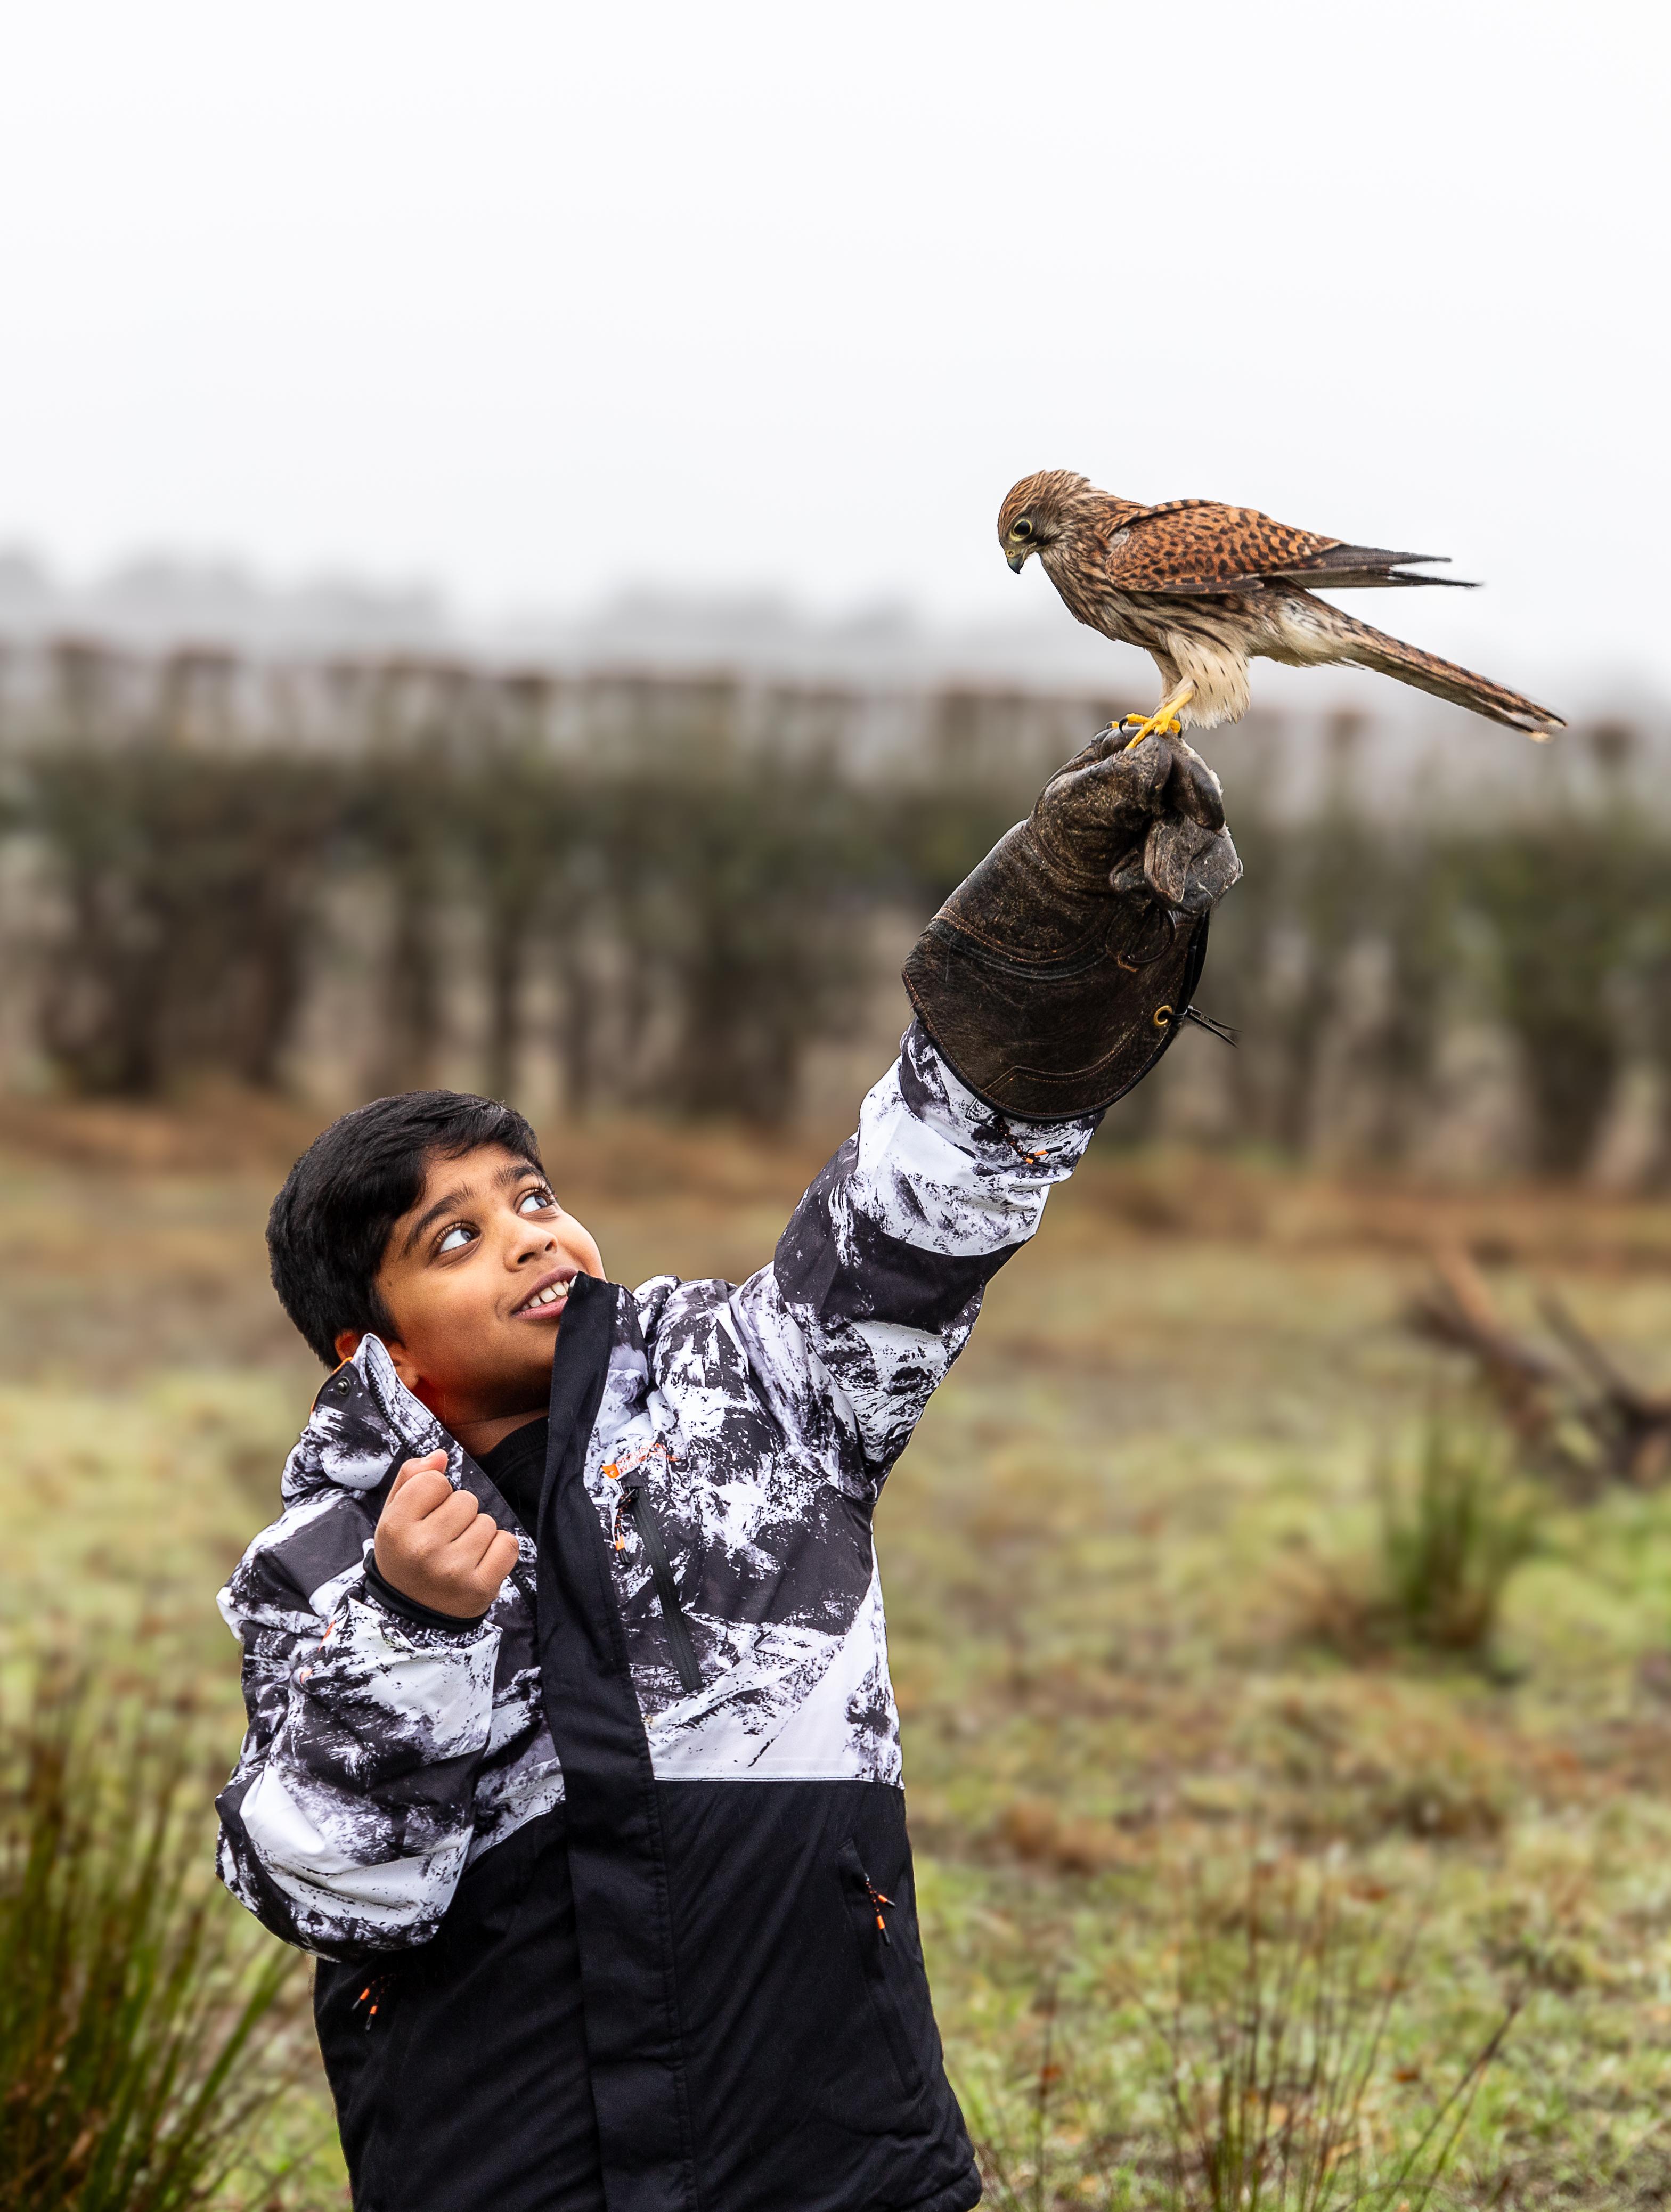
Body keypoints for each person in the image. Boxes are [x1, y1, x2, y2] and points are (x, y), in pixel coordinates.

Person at [215, 725, 1241, 2212]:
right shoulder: (319, 1567)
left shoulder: (758, 1380)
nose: (525, 1234)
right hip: (511, 2161)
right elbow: (318, 1885)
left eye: (532, 1197)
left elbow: (913, 1211)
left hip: (824, 2138)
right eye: (451, 1237)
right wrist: (413, 1628)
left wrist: (1023, 1013)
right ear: (358, 1349)